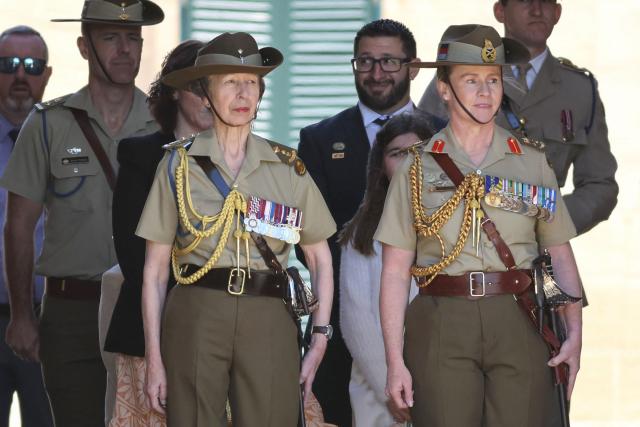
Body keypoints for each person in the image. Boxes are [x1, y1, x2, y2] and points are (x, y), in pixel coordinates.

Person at [377, 25, 583, 426]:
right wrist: (393, 361)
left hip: (519, 316)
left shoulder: (531, 161)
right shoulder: (416, 166)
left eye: (492, 79)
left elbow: (560, 251)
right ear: (444, 88)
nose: (485, 92)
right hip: (440, 318)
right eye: (470, 80)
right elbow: (395, 270)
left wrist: (575, 334)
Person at [138, 32, 335, 426]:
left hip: (268, 314)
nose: (243, 92)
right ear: (206, 93)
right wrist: (155, 360)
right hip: (197, 311)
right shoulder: (178, 165)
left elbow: (320, 259)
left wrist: (319, 339)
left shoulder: (288, 167)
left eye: (252, 82)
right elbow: (155, 270)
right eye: (230, 81)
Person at [0, 1, 164, 425]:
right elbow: (18, 226)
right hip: (70, 312)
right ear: (84, 47)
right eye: (111, 38)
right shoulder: (48, 124)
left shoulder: (163, 126)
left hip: (143, 307)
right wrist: (21, 314)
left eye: (133, 38)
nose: (125, 50)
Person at [297, 19, 444, 426]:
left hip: (441, 327)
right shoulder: (319, 140)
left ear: (413, 67)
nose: (376, 73)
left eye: (389, 62)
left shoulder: (448, 137)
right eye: (365, 62)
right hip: (345, 330)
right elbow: (308, 240)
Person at [419, 0, 618, 235]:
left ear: (557, 12)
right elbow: (420, 166)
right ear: (500, 11)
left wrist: (547, 224)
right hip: (465, 244)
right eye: (525, 1)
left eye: (545, 2)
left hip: (542, 254)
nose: (536, 10)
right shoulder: (458, 78)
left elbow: (600, 185)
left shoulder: (579, 89)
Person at [103, 39, 211, 426]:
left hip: (234, 334)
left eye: (221, 83)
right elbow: (136, 258)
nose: (211, 96)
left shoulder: (253, 159)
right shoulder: (141, 155)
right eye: (200, 85)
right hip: (156, 332)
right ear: (174, 92)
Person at [339, 113, 433, 427]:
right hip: (382, 394)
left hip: (441, 385)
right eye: (398, 154)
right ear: (381, 166)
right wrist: (393, 390)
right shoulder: (361, 233)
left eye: (419, 151)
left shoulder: (454, 221)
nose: (410, 162)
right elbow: (358, 326)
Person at [0, 25, 52, 427]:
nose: (20, 75)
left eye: (31, 65)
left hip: (48, 324)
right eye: (8, 64)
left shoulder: (63, 138)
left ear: (46, 75)